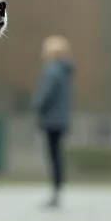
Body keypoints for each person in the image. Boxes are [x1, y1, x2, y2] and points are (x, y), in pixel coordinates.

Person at [32, 36, 74, 208]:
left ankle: (56, 193)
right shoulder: (65, 70)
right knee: (57, 155)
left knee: (53, 156)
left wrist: (37, 106)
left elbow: (45, 95)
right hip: (61, 119)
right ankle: (57, 191)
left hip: (51, 120)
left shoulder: (52, 70)